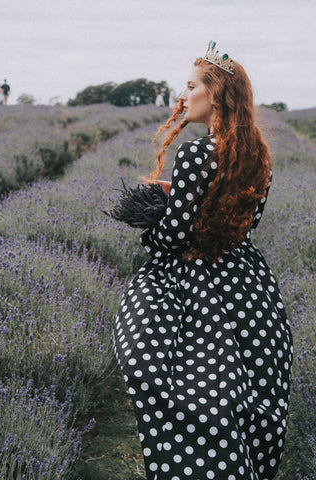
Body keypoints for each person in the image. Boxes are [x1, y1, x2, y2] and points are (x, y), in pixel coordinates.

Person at [110, 40, 293, 480]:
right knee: (242, 392)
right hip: (248, 286)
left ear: (215, 96)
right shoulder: (259, 158)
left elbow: (172, 239)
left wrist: (154, 213)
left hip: (191, 285)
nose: (181, 95)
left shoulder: (194, 153)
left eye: (190, 86)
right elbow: (248, 225)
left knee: (172, 382)